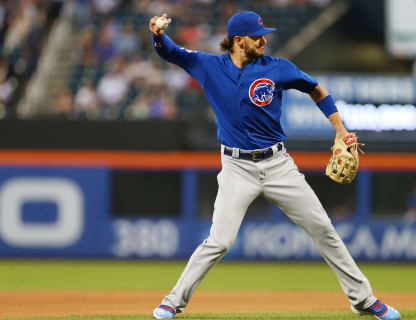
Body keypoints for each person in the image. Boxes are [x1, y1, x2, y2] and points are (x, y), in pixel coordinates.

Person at [149, 11, 401, 320]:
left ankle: (364, 300)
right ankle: (173, 302)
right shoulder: (208, 66)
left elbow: (317, 89)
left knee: (323, 228)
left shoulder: (278, 68)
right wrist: (158, 35)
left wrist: (341, 129)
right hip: (236, 168)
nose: (264, 39)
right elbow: (170, 52)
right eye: (257, 36)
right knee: (219, 241)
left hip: (278, 164)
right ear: (238, 41)